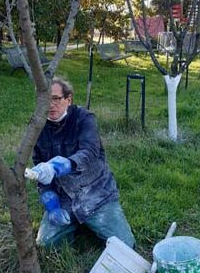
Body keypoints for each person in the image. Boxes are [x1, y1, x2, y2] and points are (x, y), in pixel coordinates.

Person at [25, 77, 135, 249]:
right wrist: (51, 204)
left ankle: (90, 222)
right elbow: (40, 172)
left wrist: (62, 165)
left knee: (125, 246)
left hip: (97, 194)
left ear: (69, 99)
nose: (51, 104)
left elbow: (90, 152)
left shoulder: (84, 118)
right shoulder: (38, 127)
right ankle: (76, 225)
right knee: (45, 244)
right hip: (64, 199)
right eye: (46, 100)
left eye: (56, 98)